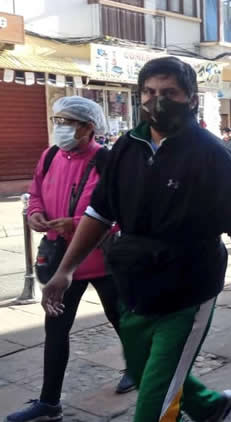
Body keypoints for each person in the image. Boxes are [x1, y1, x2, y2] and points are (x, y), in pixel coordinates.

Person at [40, 57, 231, 422]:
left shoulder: (212, 156)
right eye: (149, 92)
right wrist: (66, 270)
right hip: (134, 285)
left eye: (169, 93)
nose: (156, 100)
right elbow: (99, 213)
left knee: (154, 400)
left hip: (189, 290)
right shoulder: (126, 149)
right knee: (146, 365)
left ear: (192, 99)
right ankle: (210, 406)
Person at [6, 97, 135, 422]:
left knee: (121, 319)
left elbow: (122, 213)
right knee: (55, 330)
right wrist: (35, 213)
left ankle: (137, 368)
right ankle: (49, 404)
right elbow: (35, 191)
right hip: (61, 263)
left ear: (88, 127)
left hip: (101, 260)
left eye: (66, 122)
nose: (59, 127)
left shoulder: (106, 161)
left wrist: (76, 225)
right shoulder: (50, 155)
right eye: (56, 120)